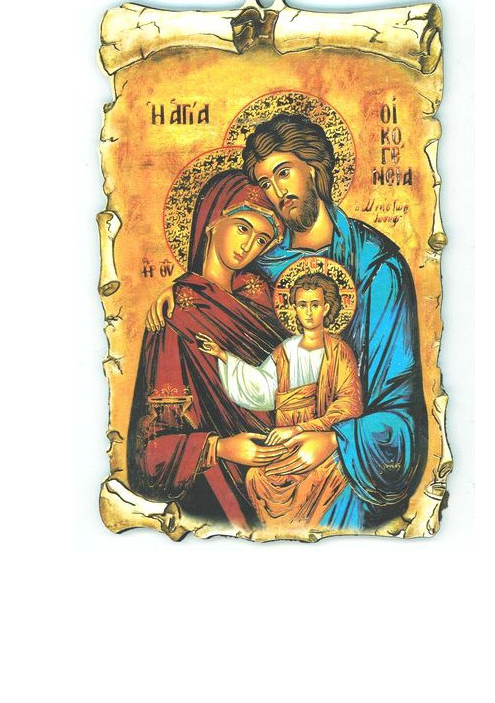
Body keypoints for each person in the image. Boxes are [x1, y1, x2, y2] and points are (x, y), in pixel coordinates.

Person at [146, 113, 428, 530]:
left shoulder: (377, 268)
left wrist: (335, 441)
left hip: (342, 463)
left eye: (283, 172)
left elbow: (400, 411)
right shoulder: (259, 268)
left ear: (314, 169)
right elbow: (214, 289)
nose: (277, 192)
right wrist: (180, 289)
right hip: (269, 453)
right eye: (264, 183)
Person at [126, 170, 293, 531]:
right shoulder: (175, 316)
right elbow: (149, 453)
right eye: (243, 227)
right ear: (212, 221)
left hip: (287, 460)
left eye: (262, 239)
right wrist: (220, 448)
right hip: (218, 484)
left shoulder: (262, 297)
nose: (249, 246)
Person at [196, 273, 363, 528]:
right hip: (284, 443)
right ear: (294, 309)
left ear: (327, 307)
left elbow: (349, 405)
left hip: (320, 442)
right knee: (255, 478)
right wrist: (224, 357)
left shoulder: (339, 352)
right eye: (302, 305)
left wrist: (300, 429)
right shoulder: (285, 350)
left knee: (322, 477)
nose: (309, 312)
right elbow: (263, 387)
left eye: (315, 304)